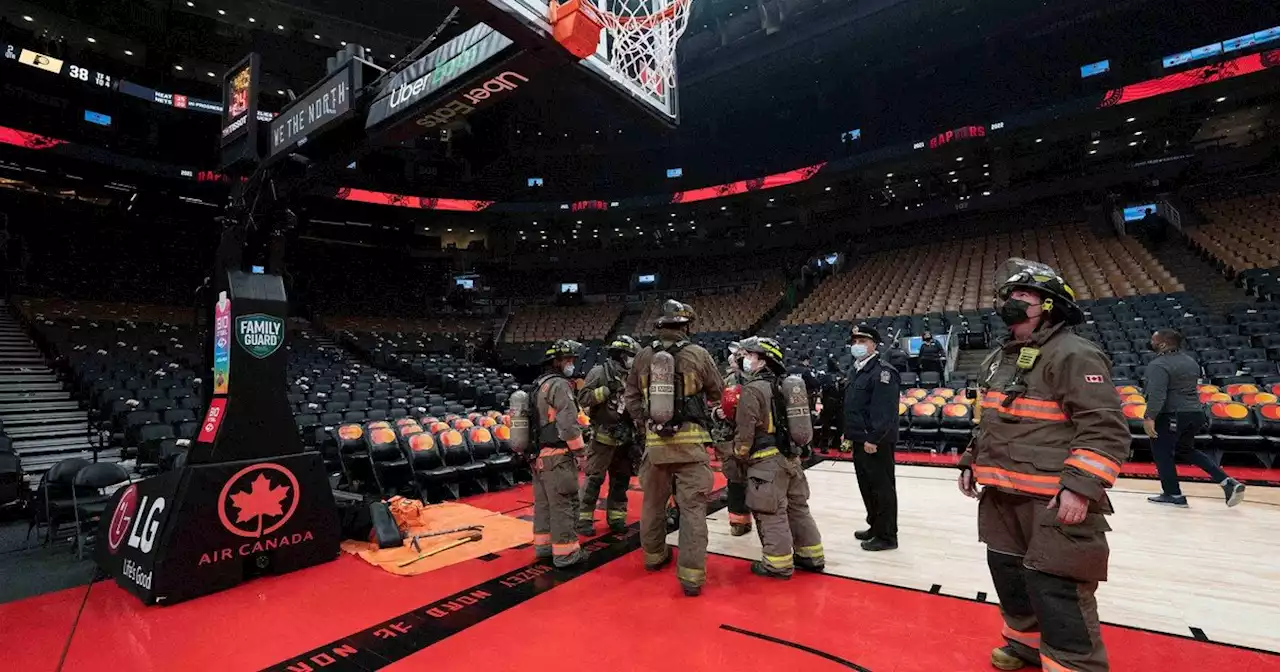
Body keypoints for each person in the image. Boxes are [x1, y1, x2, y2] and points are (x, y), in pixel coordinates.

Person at [957, 258, 1130, 672]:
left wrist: (1082, 484)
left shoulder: (1074, 353)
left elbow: (1105, 428)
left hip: (1051, 500)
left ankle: (1075, 665)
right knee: (1010, 577)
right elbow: (991, 419)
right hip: (1001, 495)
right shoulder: (1001, 357)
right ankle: (1024, 646)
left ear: (1048, 305)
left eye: (1023, 296)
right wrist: (970, 460)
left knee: (1058, 587)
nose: (1010, 302)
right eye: (1009, 296)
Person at [624, 300, 724, 596]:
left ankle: (654, 557)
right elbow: (717, 392)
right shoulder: (698, 354)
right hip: (691, 447)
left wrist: (648, 422)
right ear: (685, 327)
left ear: (661, 326)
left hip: (655, 448)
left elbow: (630, 397)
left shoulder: (643, 356)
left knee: (653, 505)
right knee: (693, 510)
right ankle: (691, 577)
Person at [734, 337, 824, 578]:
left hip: (766, 464)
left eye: (750, 355)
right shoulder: (786, 385)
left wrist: (739, 456)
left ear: (763, 361)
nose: (746, 359)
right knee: (798, 509)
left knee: (771, 513)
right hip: (791, 460)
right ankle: (811, 556)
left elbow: (745, 433)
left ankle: (777, 564)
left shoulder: (753, 389)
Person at [1142, 329, 1246, 508]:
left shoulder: (1158, 364)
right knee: (1185, 449)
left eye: (1154, 340)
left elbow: (1157, 394)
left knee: (1162, 453)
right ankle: (1226, 482)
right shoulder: (1190, 361)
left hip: (1171, 414)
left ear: (1163, 343)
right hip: (1195, 413)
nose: (1150, 342)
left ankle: (1173, 495)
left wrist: (1149, 416)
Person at [840, 323, 900, 551]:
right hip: (859, 439)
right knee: (867, 486)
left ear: (874, 344)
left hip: (875, 442)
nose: (857, 345)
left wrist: (873, 439)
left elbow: (885, 412)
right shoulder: (855, 369)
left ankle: (887, 535)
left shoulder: (883, 372)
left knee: (882, 488)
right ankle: (875, 525)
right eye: (854, 342)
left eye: (863, 341)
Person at [530, 339, 589, 567]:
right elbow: (568, 423)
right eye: (567, 360)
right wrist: (581, 452)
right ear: (555, 362)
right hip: (557, 456)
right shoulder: (560, 385)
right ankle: (566, 553)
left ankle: (544, 547)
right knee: (563, 503)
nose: (571, 364)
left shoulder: (538, 384)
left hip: (538, 457)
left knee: (544, 504)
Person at [576, 335, 642, 535]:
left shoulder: (633, 376)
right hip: (603, 438)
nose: (633, 360)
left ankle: (616, 518)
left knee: (621, 480)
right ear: (621, 355)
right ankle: (583, 520)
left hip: (626, 438)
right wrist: (605, 391)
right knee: (594, 479)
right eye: (631, 356)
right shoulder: (599, 372)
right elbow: (584, 398)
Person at [715, 341, 752, 536]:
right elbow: (713, 403)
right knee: (735, 479)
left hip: (760, 437)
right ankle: (739, 521)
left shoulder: (765, 379)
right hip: (731, 435)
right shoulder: (728, 380)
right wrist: (717, 412)